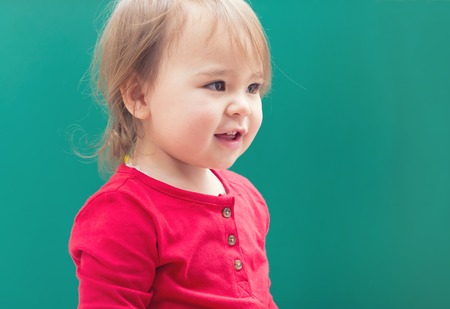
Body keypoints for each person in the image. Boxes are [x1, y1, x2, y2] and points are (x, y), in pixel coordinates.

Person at [69, 0, 277, 307]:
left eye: (252, 86)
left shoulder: (249, 198)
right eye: (217, 84)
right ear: (140, 96)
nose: (242, 106)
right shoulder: (124, 213)